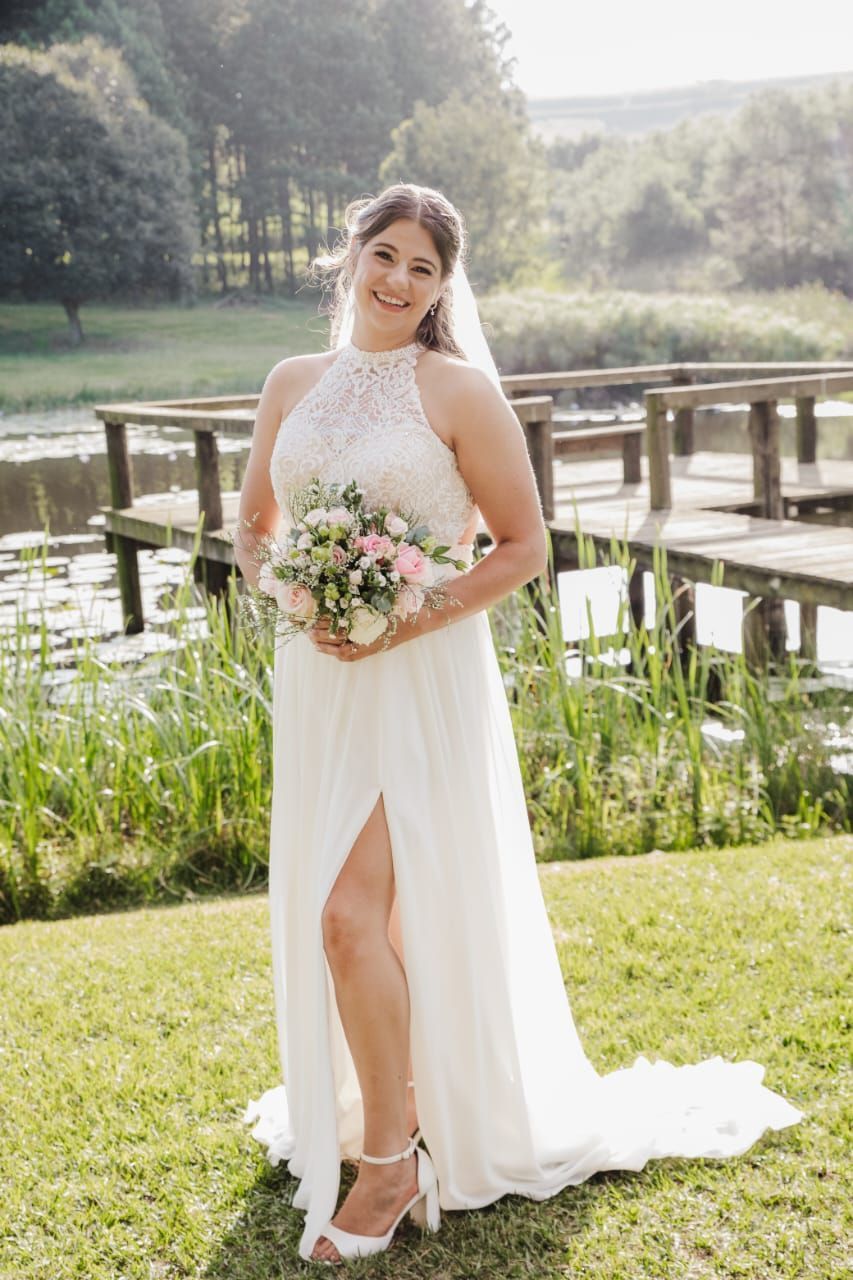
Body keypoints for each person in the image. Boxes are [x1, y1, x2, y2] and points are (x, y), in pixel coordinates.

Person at [235, 183, 803, 1266]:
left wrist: (398, 617)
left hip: (419, 678)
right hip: (323, 680)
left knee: (349, 918)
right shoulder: (290, 383)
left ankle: (391, 1164)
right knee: (373, 924)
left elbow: (522, 546)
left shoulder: (456, 390)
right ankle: (400, 1107)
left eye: (424, 268)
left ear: (445, 286)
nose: (399, 280)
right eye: (386, 254)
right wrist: (299, 593)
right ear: (349, 255)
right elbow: (254, 528)